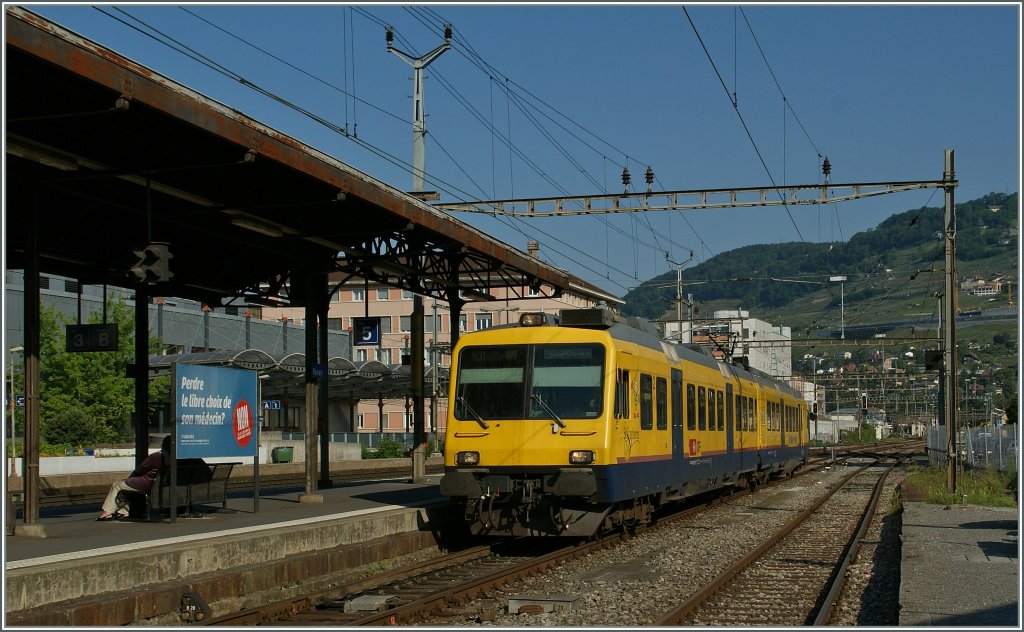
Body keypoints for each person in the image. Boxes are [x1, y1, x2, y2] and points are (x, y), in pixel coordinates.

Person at [97, 435, 171, 521]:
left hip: (146, 483)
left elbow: (141, 469)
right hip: (160, 485)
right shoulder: (174, 457)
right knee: (126, 486)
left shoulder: (157, 456)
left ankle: (108, 512)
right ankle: (123, 511)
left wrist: (130, 478)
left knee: (117, 485)